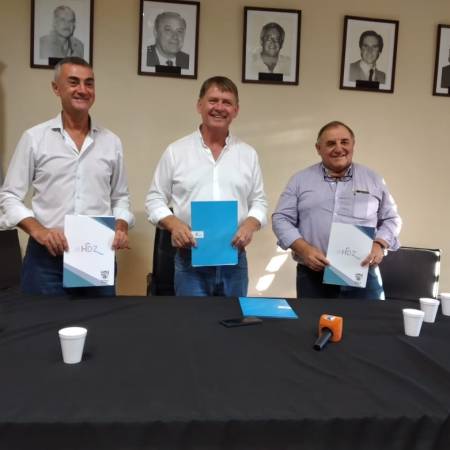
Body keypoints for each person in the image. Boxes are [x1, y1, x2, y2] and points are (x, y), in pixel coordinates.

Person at [0, 57, 134, 296]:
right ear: (56, 88)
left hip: (96, 256)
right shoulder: (34, 138)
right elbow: (9, 196)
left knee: (99, 321)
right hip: (45, 262)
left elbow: (120, 198)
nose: (83, 89)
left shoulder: (111, 142)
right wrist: (40, 231)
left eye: (89, 83)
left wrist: (121, 226)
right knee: (41, 321)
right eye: (73, 82)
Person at [145, 76, 267, 297]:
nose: (219, 107)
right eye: (213, 100)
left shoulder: (248, 154)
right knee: (193, 319)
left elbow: (259, 201)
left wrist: (250, 225)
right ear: (199, 105)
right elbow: (154, 199)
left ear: (236, 110)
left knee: (233, 318)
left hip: (235, 261)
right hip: (190, 261)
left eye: (226, 102)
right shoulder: (176, 152)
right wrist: (174, 224)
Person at [272, 121, 401, 300]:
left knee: (368, 319)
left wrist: (379, 244)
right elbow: (281, 218)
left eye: (344, 142)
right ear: (318, 148)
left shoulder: (374, 180)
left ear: (353, 144)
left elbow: (392, 219)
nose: (339, 148)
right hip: (313, 275)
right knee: (313, 318)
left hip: (362, 272)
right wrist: (304, 249)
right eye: (331, 143)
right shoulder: (299, 180)